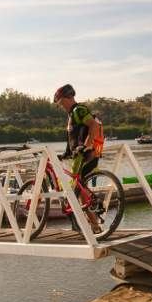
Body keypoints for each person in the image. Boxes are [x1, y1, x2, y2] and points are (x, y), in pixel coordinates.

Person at [54, 83, 103, 233]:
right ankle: (92, 225)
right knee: (78, 187)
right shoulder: (71, 115)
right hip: (79, 155)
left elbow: (93, 125)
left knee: (76, 188)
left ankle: (88, 223)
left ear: (67, 98)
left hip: (86, 154)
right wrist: (66, 153)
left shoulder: (78, 110)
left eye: (61, 102)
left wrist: (86, 146)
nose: (61, 105)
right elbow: (73, 138)